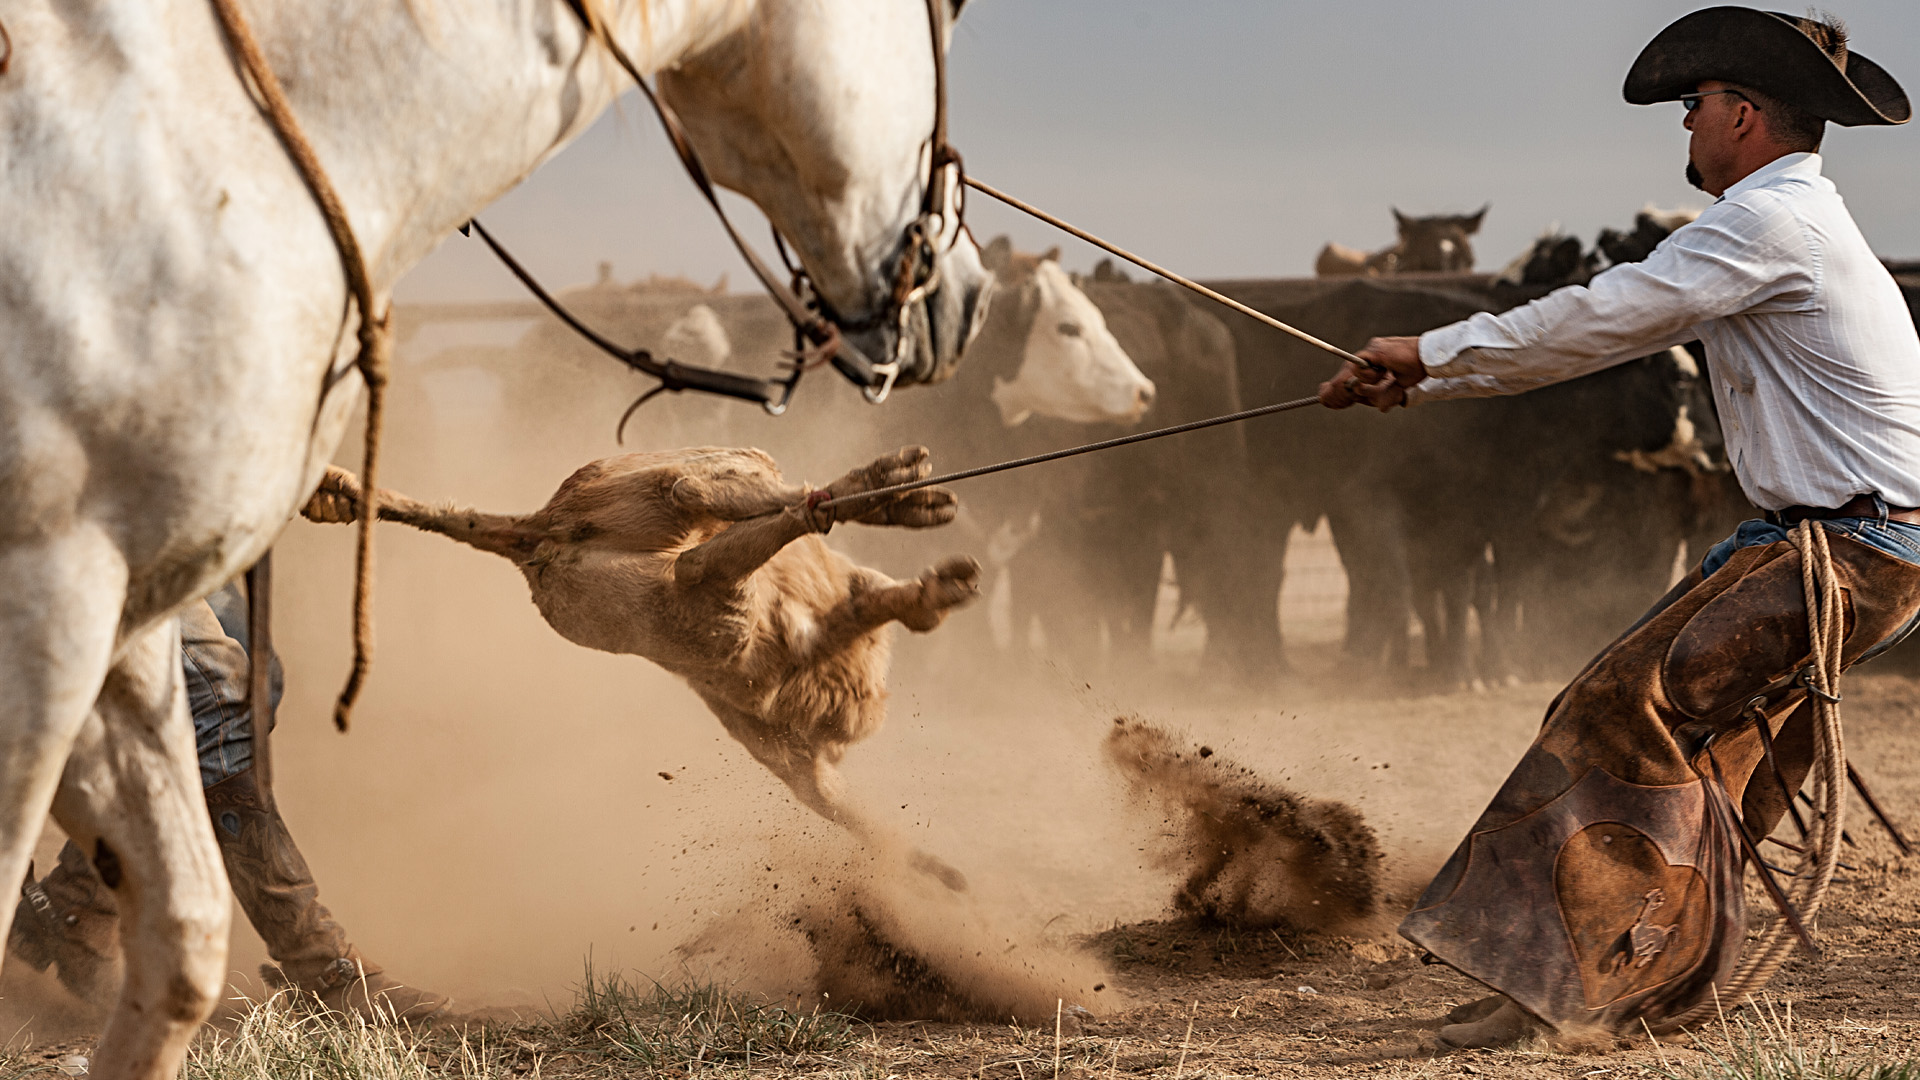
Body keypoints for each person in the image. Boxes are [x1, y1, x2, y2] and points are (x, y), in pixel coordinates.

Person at [1319, 7, 1917, 1048]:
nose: (1683, 128)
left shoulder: (1770, 225)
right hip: (1850, 548)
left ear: (1742, 115)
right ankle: (1603, 980)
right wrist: (1423, 384)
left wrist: (1426, 352)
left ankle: (1574, 985)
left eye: (1692, 108)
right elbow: (1593, 333)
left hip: (1847, 553)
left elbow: (1602, 317)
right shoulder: (1795, 226)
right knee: (1705, 742)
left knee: (1615, 702)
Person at [8, 583, 447, 1022]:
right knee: (218, 695)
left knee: (256, 679)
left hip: (150, 521)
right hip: (78, 527)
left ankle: (79, 903)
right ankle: (319, 965)